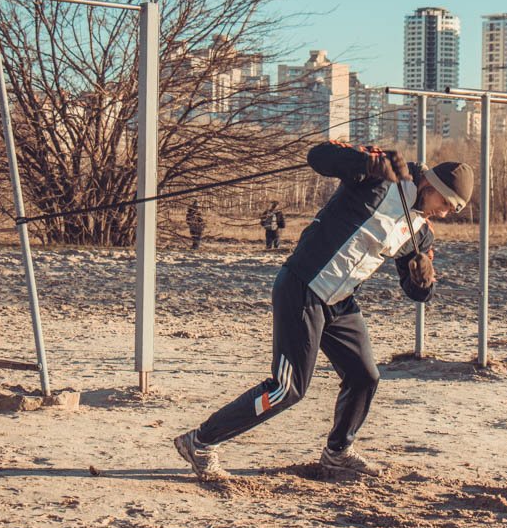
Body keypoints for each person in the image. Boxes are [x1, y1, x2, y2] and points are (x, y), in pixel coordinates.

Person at [174, 141, 474, 481]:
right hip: (303, 286)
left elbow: (415, 292)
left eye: (454, 210)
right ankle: (200, 442)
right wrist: (366, 162)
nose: (446, 212)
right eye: (446, 203)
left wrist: (423, 282)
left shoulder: (421, 235)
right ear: (430, 185)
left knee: (364, 377)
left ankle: (338, 453)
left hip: (340, 301)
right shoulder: (383, 180)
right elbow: (318, 157)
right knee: (287, 389)